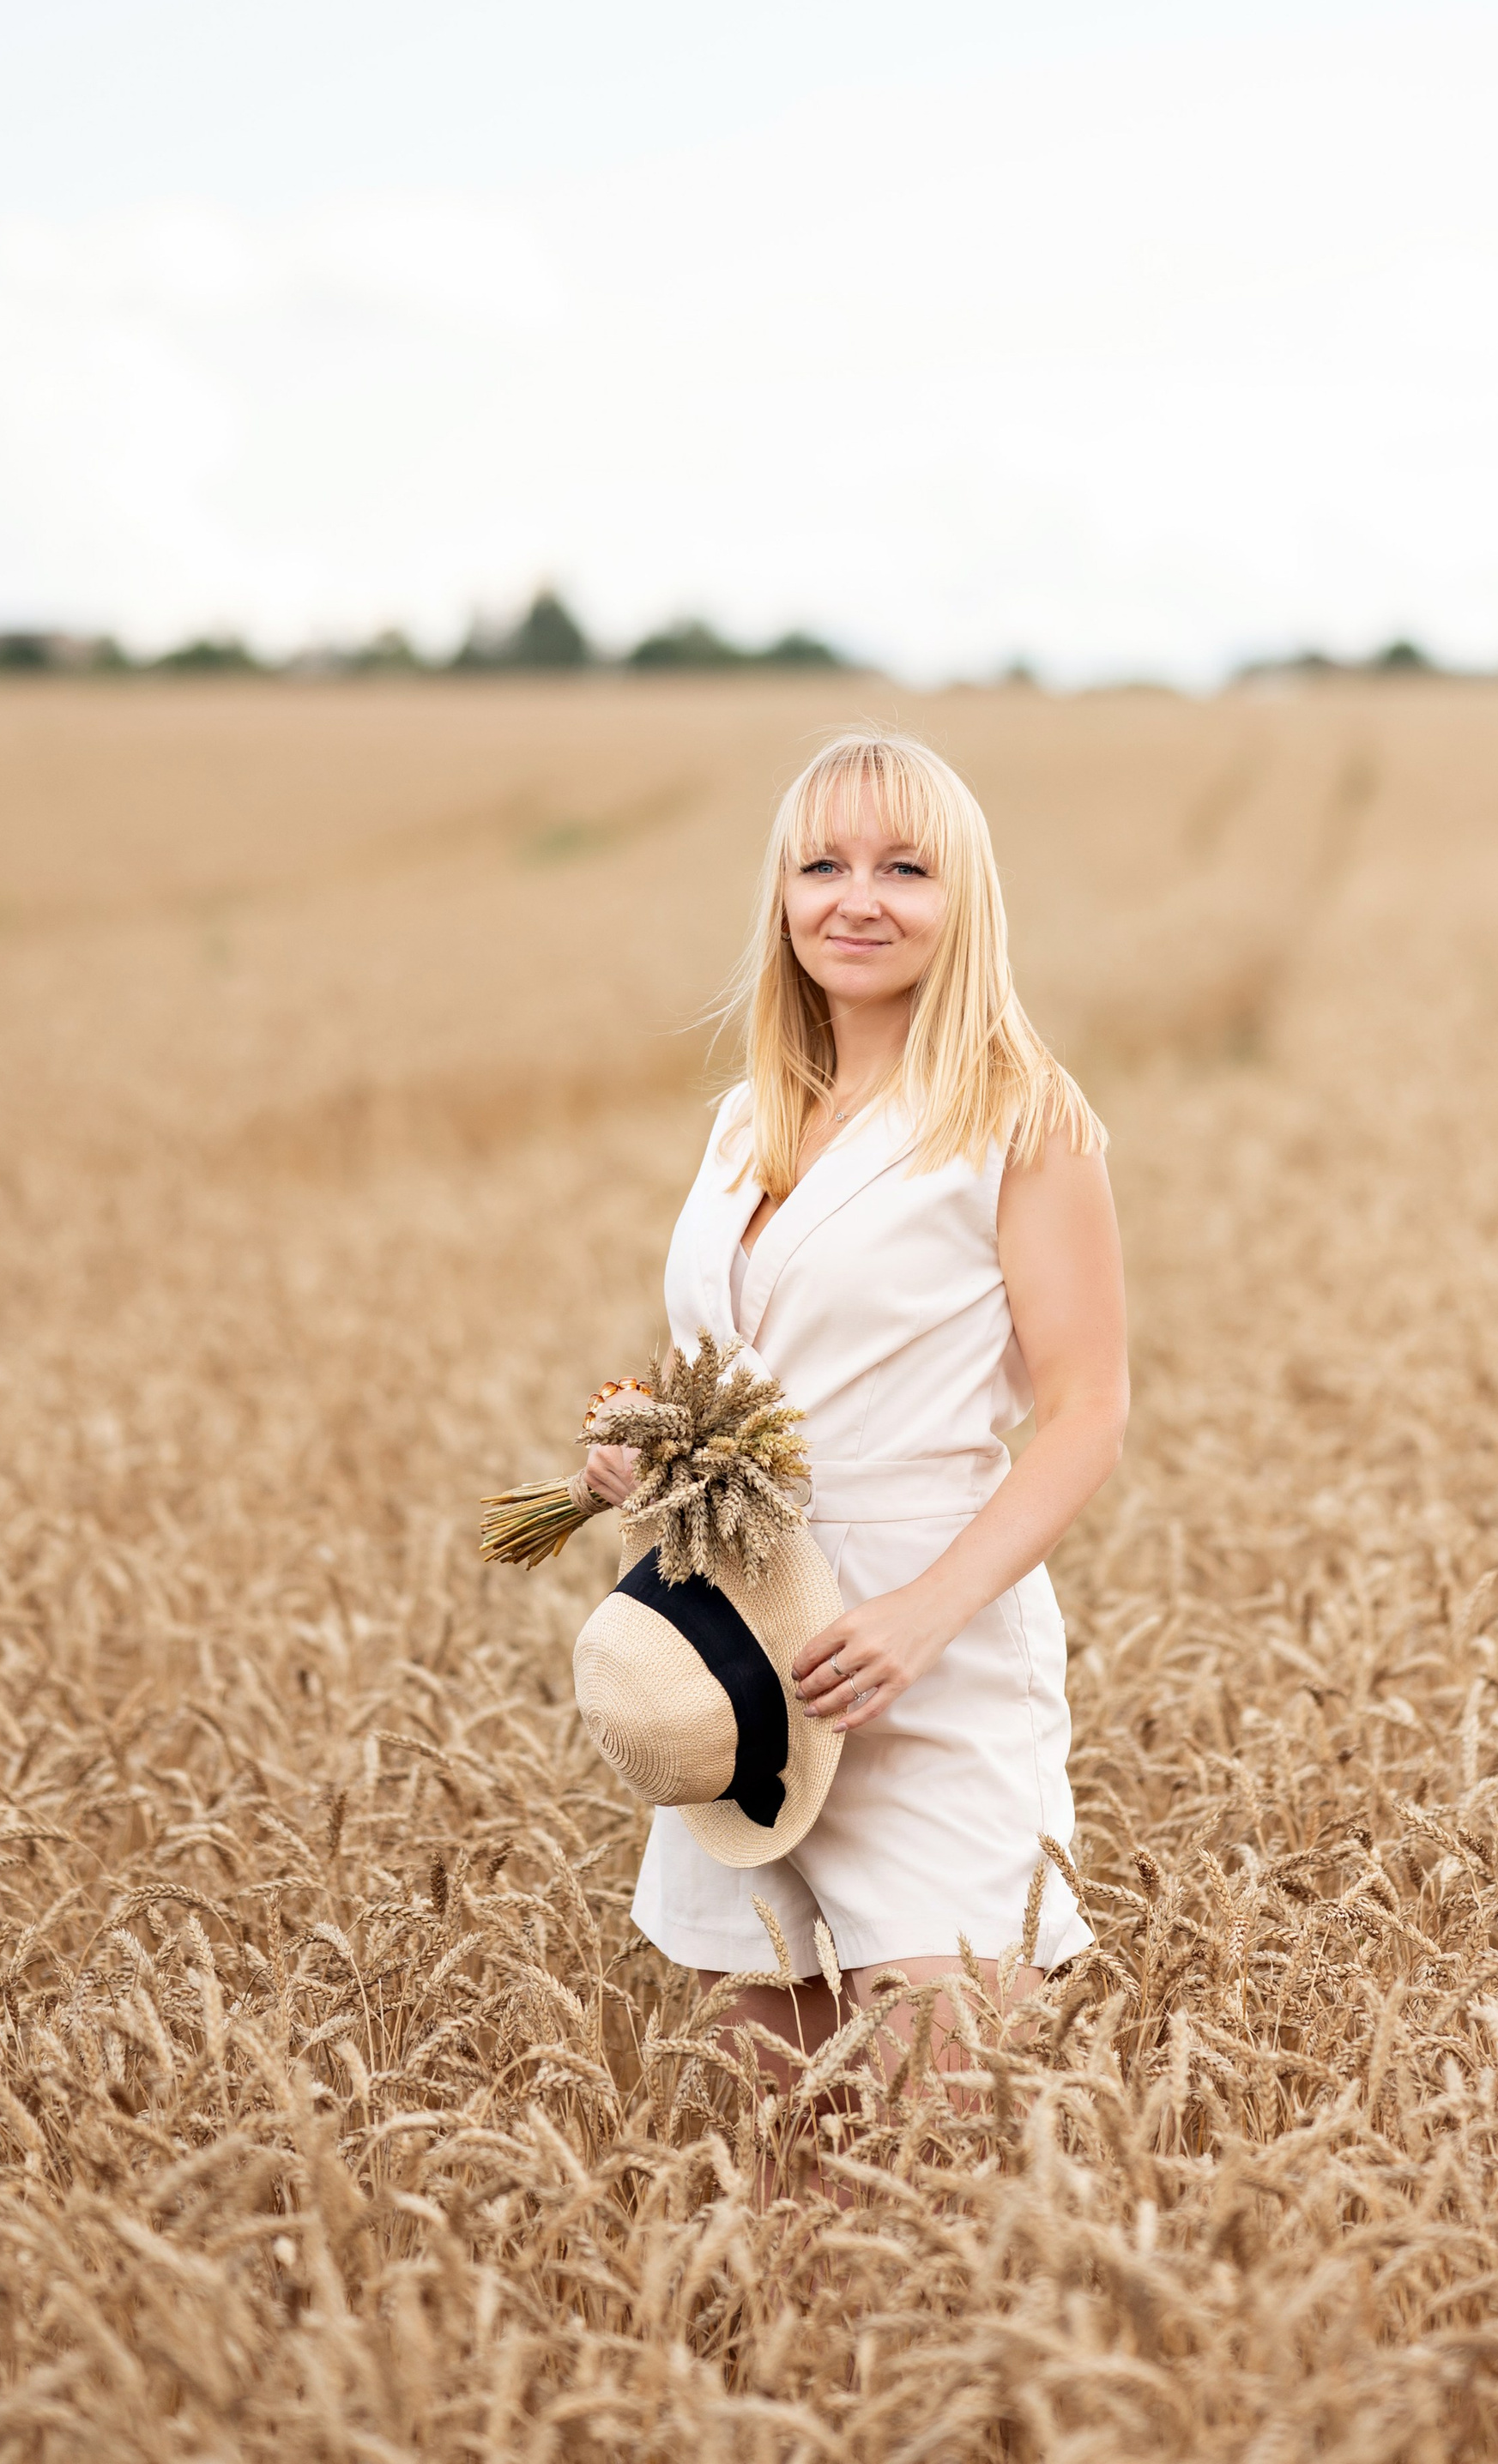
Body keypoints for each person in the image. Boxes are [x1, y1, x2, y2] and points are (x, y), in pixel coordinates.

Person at [583, 729, 1128, 2084]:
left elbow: (1087, 1409)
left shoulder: (1022, 1118)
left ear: (966, 901)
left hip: (922, 1649)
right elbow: (728, 1359)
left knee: (947, 2115)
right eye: (821, 864)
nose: (857, 898)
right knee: (769, 2122)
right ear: (782, 896)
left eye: (904, 867)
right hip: (740, 1646)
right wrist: (643, 1438)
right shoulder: (744, 1121)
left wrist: (918, 1621)